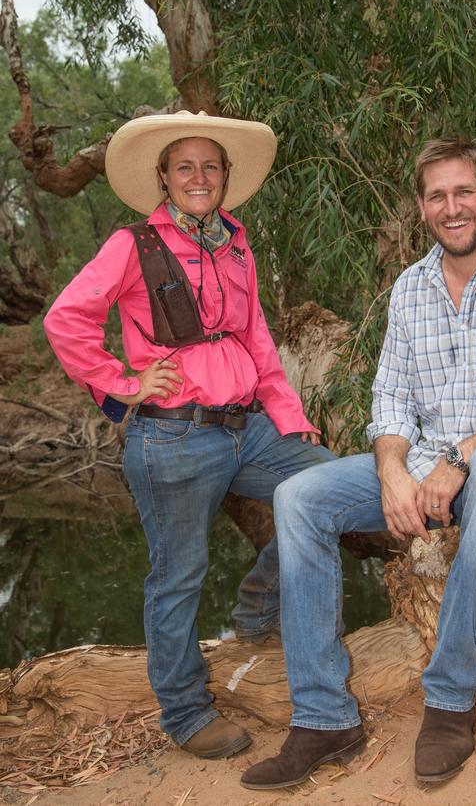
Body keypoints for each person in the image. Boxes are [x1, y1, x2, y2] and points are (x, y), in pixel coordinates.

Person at [241, 137, 476, 790]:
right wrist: (391, 469)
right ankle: (324, 716)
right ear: (421, 207)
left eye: (464, 191)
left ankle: (452, 696)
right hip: (439, 468)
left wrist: (463, 454)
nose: (452, 207)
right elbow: (391, 400)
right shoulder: (412, 289)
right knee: (300, 496)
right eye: (437, 195)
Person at [44, 110, 335, 760]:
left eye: (210, 166)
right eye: (185, 167)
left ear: (225, 176)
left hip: (249, 428)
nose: (198, 177)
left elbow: (257, 336)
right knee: (178, 576)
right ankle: (183, 710)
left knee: (331, 484)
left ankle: (259, 601)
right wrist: (119, 383)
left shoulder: (235, 244)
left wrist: (291, 417)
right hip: (172, 438)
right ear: (164, 179)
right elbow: (66, 320)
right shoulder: (133, 246)